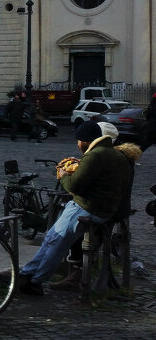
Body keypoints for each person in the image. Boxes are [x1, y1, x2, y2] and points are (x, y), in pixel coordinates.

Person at [17, 121, 140, 296]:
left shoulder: (95, 156)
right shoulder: (117, 156)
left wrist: (63, 175)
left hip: (85, 207)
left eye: (78, 141)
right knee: (53, 238)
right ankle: (28, 273)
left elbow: (75, 186)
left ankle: (34, 280)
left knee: (55, 241)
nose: (77, 144)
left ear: (84, 141)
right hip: (104, 211)